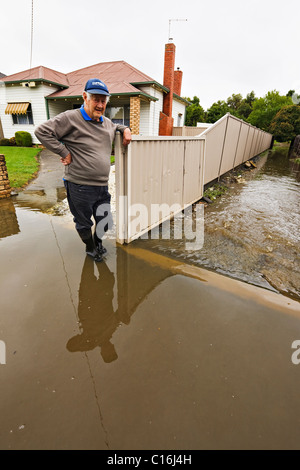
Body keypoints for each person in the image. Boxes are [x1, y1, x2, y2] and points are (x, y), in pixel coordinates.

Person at [35, 78, 131, 261]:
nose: (100, 104)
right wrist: (63, 151)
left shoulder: (107, 122)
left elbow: (116, 126)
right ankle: (90, 248)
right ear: (85, 97)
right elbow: (42, 131)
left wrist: (125, 129)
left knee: (104, 221)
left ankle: (98, 241)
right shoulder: (70, 118)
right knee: (83, 223)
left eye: (103, 100)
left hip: (102, 186)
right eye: (96, 99)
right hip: (79, 185)